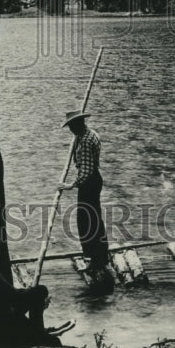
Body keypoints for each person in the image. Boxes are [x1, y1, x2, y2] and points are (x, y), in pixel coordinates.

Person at [0, 234, 74, 348]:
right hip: (4, 328)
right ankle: (39, 332)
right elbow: (17, 299)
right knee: (41, 290)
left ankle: (37, 330)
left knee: (31, 293)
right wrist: (39, 298)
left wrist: (27, 293)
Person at [58, 109, 111, 277]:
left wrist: (70, 185)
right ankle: (100, 257)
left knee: (87, 221)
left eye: (72, 127)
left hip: (89, 183)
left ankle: (96, 259)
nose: (70, 130)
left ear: (78, 125)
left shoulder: (86, 141)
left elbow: (87, 171)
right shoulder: (88, 134)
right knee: (94, 219)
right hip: (94, 181)